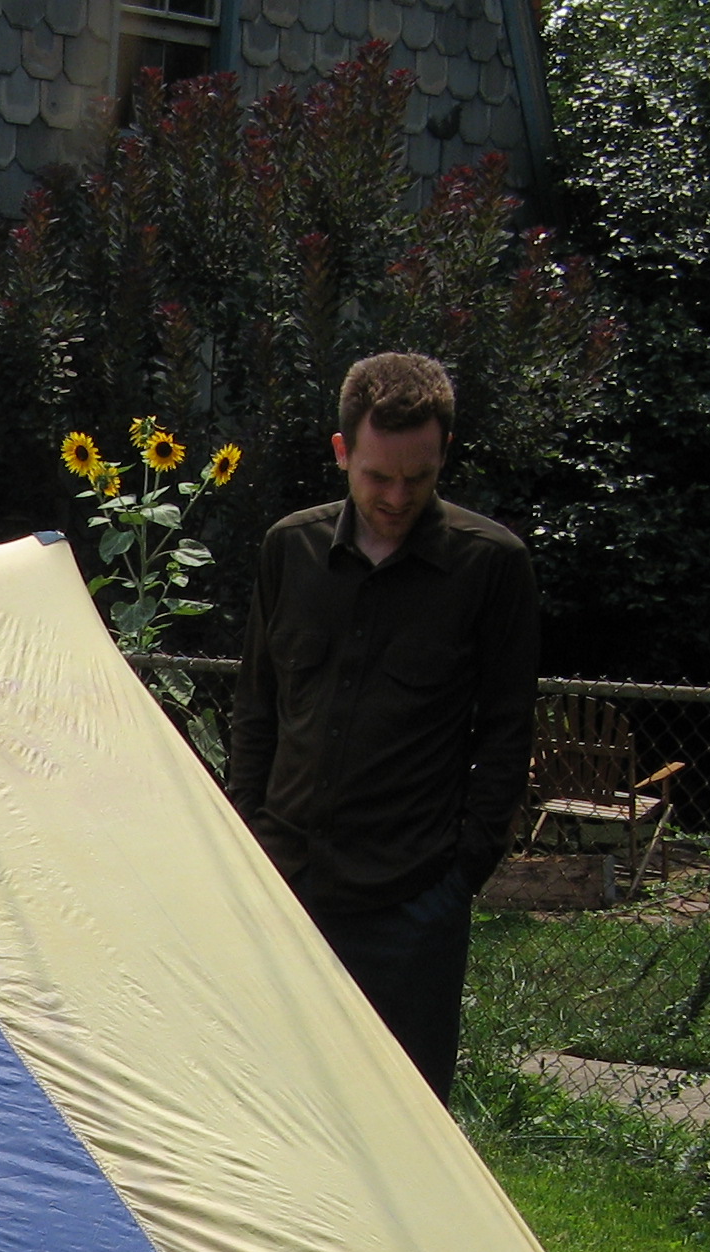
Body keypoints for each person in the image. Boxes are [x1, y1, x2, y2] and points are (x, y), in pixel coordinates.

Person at [226, 351, 538, 1102]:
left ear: (443, 457)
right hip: (285, 889)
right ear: (342, 452)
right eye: (377, 476)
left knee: (400, 1122)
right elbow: (257, 707)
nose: (397, 496)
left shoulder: (491, 567)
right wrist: (245, 840)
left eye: (418, 477)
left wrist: (460, 875)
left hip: (412, 905)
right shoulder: (288, 551)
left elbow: (506, 733)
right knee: (273, 1107)